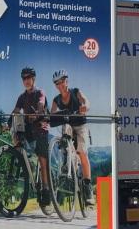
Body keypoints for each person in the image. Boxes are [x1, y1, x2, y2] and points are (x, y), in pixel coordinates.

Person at [10, 66, 52, 210]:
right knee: (16, 131)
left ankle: (46, 191)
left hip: (41, 127)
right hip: (29, 128)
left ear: (33, 79)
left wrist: (37, 113)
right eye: (24, 78)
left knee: (42, 158)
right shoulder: (22, 97)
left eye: (28, 78)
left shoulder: (40, 92)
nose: (26, 81)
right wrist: (8, 123)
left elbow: (41, 104)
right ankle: (24, 161)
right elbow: (16, 111)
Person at [50, 69, 93, 203]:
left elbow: (85, 100)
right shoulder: (56, 100)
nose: (60, 85)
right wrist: (46, 118)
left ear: (66, 81)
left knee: (82, 153)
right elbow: (52, 114)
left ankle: (87, 186)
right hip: (68, 126)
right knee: (65, 128)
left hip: (80, 126)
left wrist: (85, 106)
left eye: (62, 81)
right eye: (57, 83)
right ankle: (65, 160)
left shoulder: (75, 92)